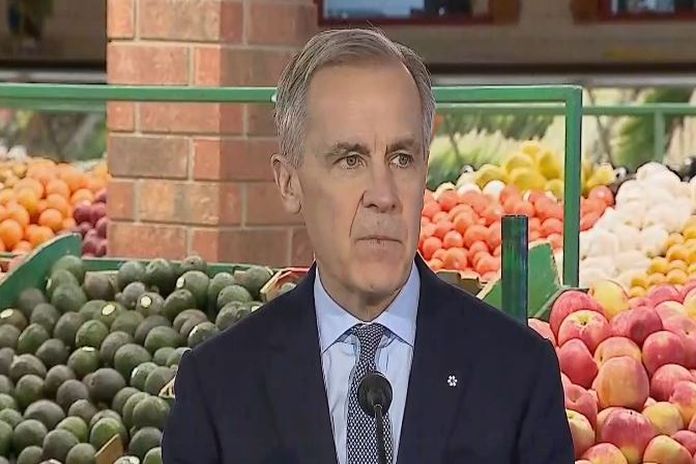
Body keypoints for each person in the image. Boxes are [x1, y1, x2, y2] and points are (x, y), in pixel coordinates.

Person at [161, 28, 573, 464]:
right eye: (350, 160)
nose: (383, 194)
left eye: (402, 159)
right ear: (289, 182)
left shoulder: (518, 373)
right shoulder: (217, 387)